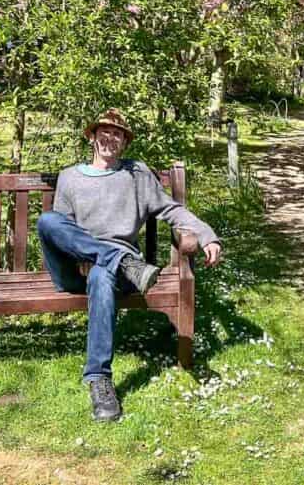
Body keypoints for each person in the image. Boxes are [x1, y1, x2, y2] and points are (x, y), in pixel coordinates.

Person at [36, 108, 222, 422]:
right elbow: (62, 231)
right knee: (47, 221)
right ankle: (116, 260)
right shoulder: (69, 177)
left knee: (102, 275)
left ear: (125, 142)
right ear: (93, 137)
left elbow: (172, 210)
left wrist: (207, 236)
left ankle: (99, 379)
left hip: (110, 275)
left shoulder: (136, 175)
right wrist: (85, 255)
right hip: (73, 266)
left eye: (118, 134)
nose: (110, 138)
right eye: (104, 132)